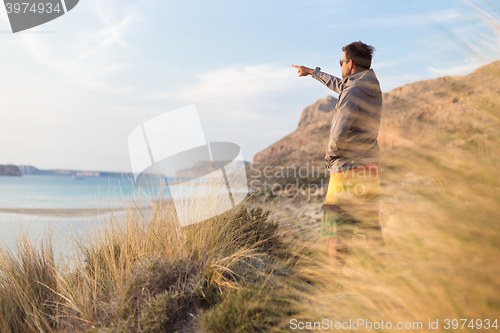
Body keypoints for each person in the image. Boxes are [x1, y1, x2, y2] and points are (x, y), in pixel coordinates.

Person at [291, 41, 385, 269]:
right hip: (370, 169)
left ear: (350, 64)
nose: (341, 66)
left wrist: (330, 159)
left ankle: (334, 283)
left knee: (337, 230)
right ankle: (385, 276)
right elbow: (341, 84)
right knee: (371, 226)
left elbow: (338, 133)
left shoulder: (351, 93)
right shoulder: (370, 87)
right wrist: (313, 72)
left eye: (341, 62)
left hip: (348, 170)